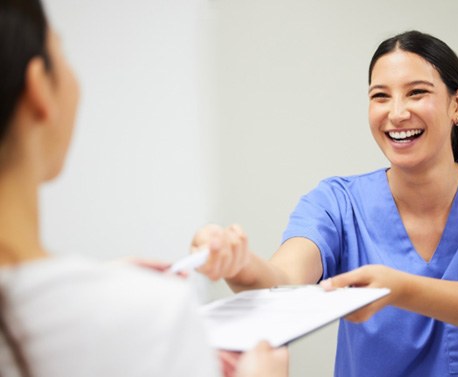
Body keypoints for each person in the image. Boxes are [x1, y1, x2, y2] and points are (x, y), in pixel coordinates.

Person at [191, 30, 458, 376]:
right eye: (381, 96)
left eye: (417, 93)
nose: (397, 113)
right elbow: (283, 283)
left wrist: (399, 289)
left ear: (457, 103)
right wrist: (238, 265)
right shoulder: (336, 202)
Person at [0, 0, 288, 376]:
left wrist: (101, 279)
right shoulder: (150, 315)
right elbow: (290, 279)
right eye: (62, 50)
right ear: (38, 86)